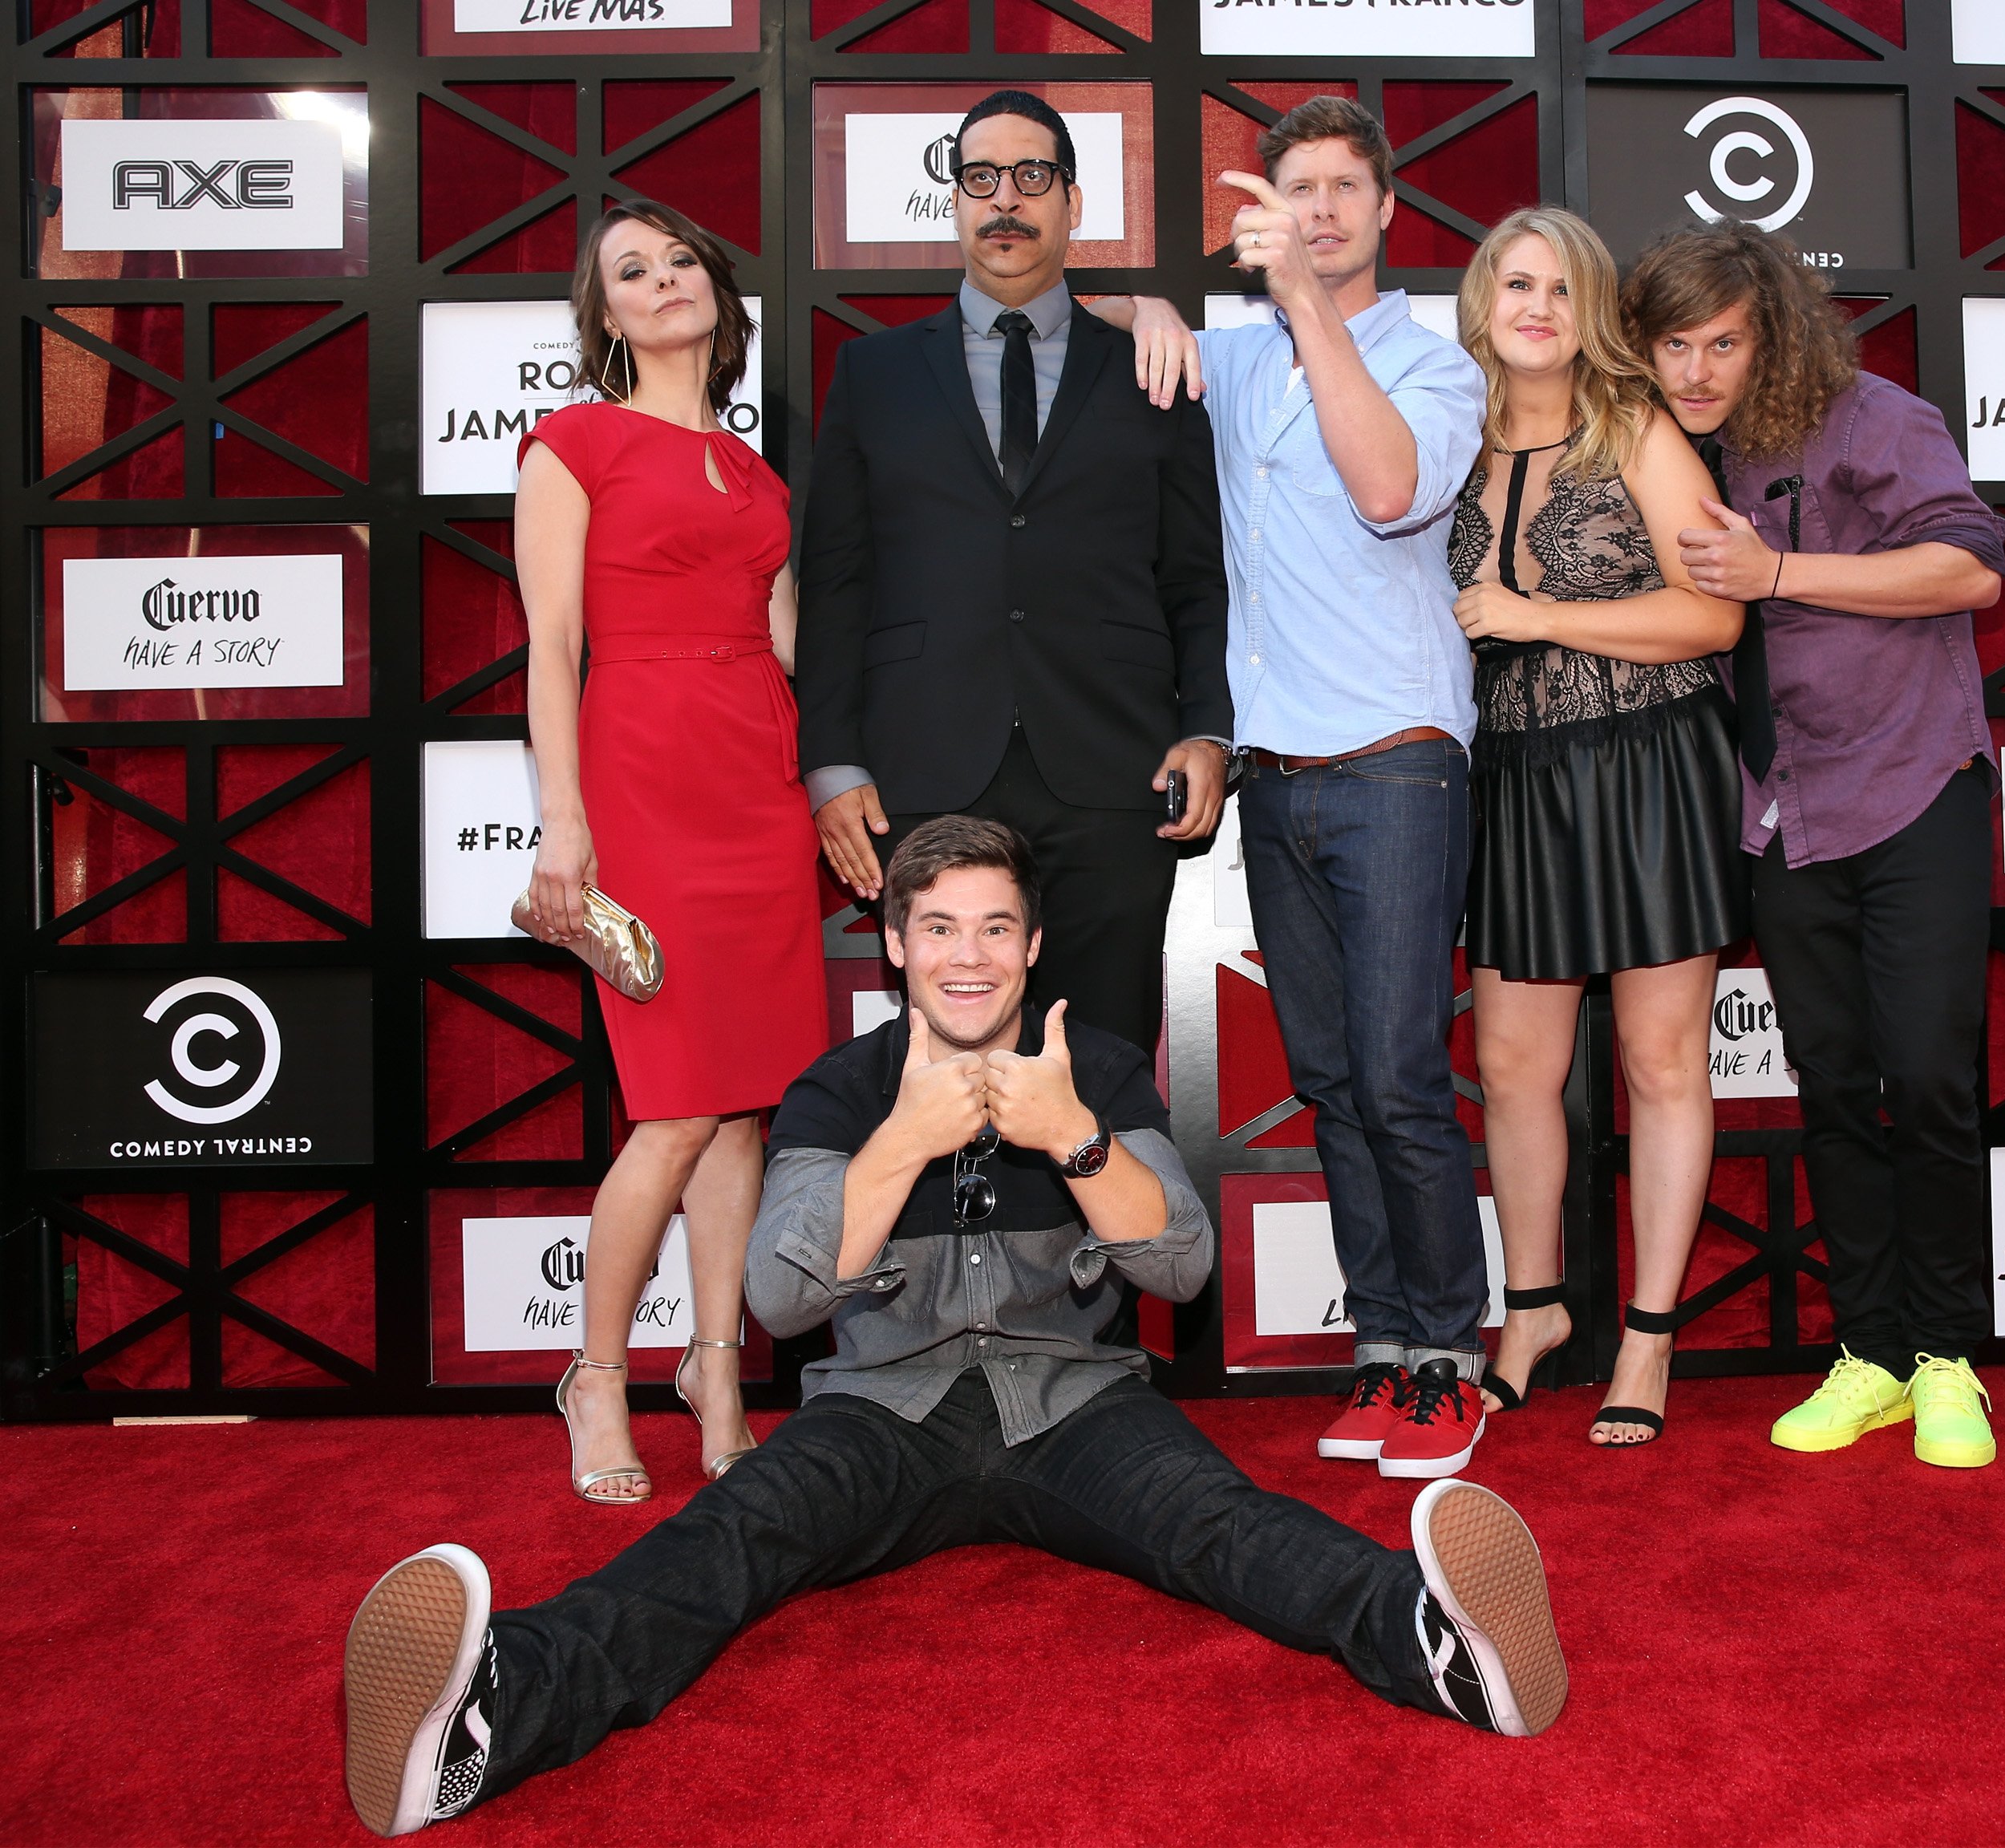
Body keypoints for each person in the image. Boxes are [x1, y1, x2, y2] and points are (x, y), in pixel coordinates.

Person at [338, 817, 1570, 1838]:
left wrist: (1071, 1136)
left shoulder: (1101, 1069)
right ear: (895, 944)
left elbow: (1183, 1267)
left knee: (1219, 1523)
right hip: (884, 1417)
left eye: (993, 929)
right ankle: (490, 1713)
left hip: (1077, 1405)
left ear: (1032, 947)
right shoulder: (839, 1090)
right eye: (939, 928)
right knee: (737, 1532)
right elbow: (778, 1299)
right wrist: (905, 1143)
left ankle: (1438, 1646)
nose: (967, 956)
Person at [1091, 96, 1493, 1477]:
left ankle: (1450, 1353)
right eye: (1296, 189)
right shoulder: (1238, 354)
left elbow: (1388, 490)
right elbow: (1068, 312)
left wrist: (1297, 303)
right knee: (1330, 1078)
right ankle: (1386, 1347)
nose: (1319, 211)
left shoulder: (1435, 367)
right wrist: (1144, 298)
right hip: (1279, 775)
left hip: (1398, 761)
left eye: (1342, 191)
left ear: (1386, 213)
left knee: (1398, 1075)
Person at [1622, 221, 2005, 1469]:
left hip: (1913, 790)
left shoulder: (1873, 417)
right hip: (1785, 811)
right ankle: (1875, 1353)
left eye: (1721, 343)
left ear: (1772, 331)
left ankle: (1950, 1357)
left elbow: (1970, 570)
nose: (1694, 371)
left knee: (1931, 1077)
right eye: (1673, 345)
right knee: (1836, 1085)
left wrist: (1778, 567)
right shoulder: (1679, 455)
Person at [796, 89, 1231, 1055]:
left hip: (1114, 771)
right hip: (922, 763)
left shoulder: (1152, 372)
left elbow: (1196, 580)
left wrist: (1207, 729)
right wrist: (831, 763)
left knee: (1107, 1057)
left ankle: (1104, 1214)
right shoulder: (872, 375)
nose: (1006, 201)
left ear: (1072, 203)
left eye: (1032, 177)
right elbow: (833, 581)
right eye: (981, 178)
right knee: (938, 1068)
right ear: (953, 203)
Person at [516, 201, 826, 1505]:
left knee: (747, 1101)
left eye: (679, 259)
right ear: (606, 317)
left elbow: (787, 644)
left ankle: (716, 1367)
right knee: (677, 1102)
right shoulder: (573, 443)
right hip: (643, 777)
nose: (661, 282)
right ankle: (595, 1372)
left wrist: (821, 796)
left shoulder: (759, 477)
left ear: (718, 289)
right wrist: (565, 815)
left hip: (757, 783)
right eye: (629, 273)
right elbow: (550, 647)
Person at [1444, 209, 1744, 1447]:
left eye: (1564, 290)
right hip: (1516, 776)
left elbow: (1716, 619)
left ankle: (1648, 1338)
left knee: (1663, 1064)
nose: (1538, 308)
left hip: (1651, 764)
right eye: (1518, 284)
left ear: (1592, 314)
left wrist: (1539, 613)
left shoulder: (1638, 429)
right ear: (1483, 301)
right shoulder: (1449, 438)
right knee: (1514, 1069)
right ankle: (1531, 1313)